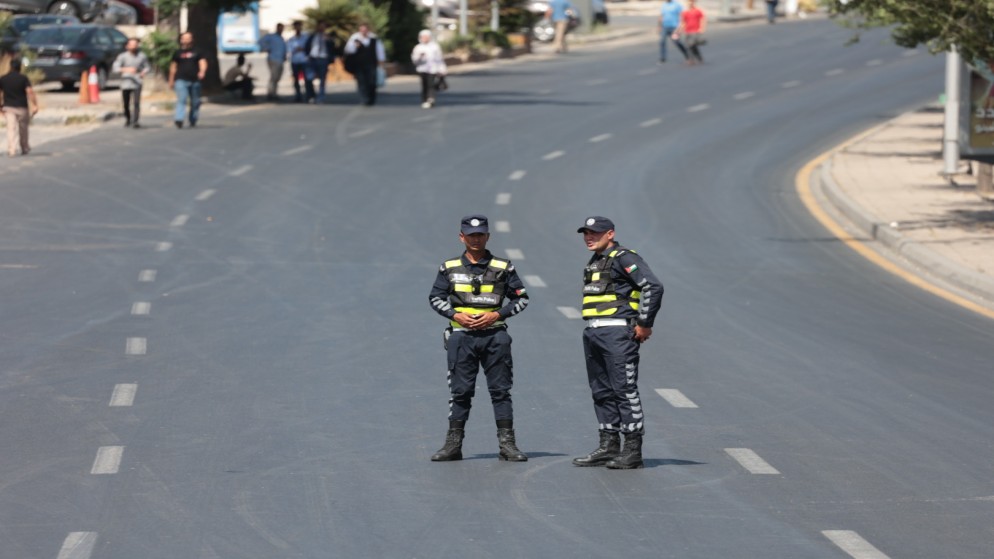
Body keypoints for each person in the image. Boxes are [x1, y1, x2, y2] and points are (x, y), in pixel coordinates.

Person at [428, 215, 530, 462]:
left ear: (488, 236)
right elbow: (435, 298)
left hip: (495, 336)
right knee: (460, 392)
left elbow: (522, 298)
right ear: (462, 237)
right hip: (461, 337)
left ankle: (508, 445)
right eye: (471, 235)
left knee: (501, 391)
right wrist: (455, 315)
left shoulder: (504, 267)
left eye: (480, 234)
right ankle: (453, 445)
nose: (476, 239)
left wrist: (497, 314)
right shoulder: (449, 267)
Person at [572, 217, 663, 470]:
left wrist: (644, 323)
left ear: (610, 234)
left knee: (624, 389)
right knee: (600, 390)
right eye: (586, 233)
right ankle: (608, 444)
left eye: (595, 233)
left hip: (617, 333)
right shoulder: (596, 260)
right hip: (594, 333)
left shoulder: (624, 257)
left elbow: (653, 286)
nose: (589, 237)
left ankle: (632, 449)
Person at [168, 32, 207, 129]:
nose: (186, 40)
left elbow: (203, 63)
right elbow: (173, 67)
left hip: (195, 80)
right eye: (184, 38)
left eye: (188, 38)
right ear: (181, 40)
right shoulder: (177, 53)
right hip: (180, 79)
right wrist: (171, 80)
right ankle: (179, 119)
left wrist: (202, 72)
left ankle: (193, 119)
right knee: (182, 99)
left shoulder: (198, 51)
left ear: (192, 39)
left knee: (195, 102)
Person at [0, 59, 38, 157]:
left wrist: (0, 106)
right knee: (23, 128)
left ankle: (12, 149)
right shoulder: (23, 78)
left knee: (11, 128)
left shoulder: (3, 79)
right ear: (20, 67)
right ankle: (24, 147)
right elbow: (29, 92)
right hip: (22, 107)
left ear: (11, 66)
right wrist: (34, 104)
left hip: (8, 107)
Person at [343, 23, 386, 106]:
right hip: (359, 65)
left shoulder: (374, 38)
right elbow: (348, 50)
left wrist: (381, 63)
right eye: (362, 30)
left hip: (371, 64)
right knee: (361, 82)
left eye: (365, 30)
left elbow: (380, 52)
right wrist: (355, 46)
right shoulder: (355, 38)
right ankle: (364, 99)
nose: (363, 32)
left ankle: (371, 99)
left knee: (371, 82)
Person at [112, 38, 150, 128]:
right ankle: (128, 118)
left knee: (136, 102)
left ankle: (135, 120)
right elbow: (115, 68)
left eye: (135, 44)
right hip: (126, 82)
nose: (133, 46)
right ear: (127, 46)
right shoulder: (122, 56)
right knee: (126, 103)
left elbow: (147, 67)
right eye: (131, 44)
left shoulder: (142, 56)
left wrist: (143, 72)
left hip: (137, 82)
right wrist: (127, 69)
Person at [411, 29, 447, 109]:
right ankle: (424, 100)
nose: (425, 38)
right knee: (424, 85)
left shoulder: (435, 47)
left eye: (426, 37)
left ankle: (431, 98)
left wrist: (442, 69)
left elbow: (439, 59)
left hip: (433, 69)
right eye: (423, 37)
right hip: (422, 69)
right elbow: (414, 59)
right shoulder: (418, 47)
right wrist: (420, 57)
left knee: (431, 84)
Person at [304, 21, 336, 103]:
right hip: (312, 59)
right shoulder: (312, 36)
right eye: (320, 26)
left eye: (323, 27)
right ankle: (311, 95)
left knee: (322, 79)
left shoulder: (328, 37)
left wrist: (328, 40)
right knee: (309, 77)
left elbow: (333, 48)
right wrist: (307, 56)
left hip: (323, 59)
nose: (321, 28)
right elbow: (307, 46)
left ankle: (321, 96)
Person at [258, 23, 287, 101]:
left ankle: (274, 92)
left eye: (282, 28)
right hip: (273, 59)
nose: (281, 30)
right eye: (280, 28)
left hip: (280, 60)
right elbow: (260, 41)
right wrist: (266, 48)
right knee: (273, 77)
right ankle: (270, 93)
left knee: (277, 77)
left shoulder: (281, 38)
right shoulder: (271, 36)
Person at [677, 0, 706, 66]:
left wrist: (702, 28)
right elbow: (682, 22)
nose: (690, 3)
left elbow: (702, 19)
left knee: (690, 45)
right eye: (689, 2)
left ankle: (691, 59)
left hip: (695, 31)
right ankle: (699, 57)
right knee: (691, 46)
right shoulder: (685, 12)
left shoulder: (698, 10)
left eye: (692, 2)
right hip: (687, 31)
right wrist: (679, 31)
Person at [287, 21, 309, 103]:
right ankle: (298, 95)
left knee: (306, 79)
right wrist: (296, 50)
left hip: (304, 60)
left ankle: (308, 94)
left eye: (299, 26)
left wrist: (302, 49)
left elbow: (308, 48)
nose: (298, 28)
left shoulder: (305, 37)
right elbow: (289, 50)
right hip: (295, 61)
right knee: (296, 79)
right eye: (296, 27)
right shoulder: (291, 39)